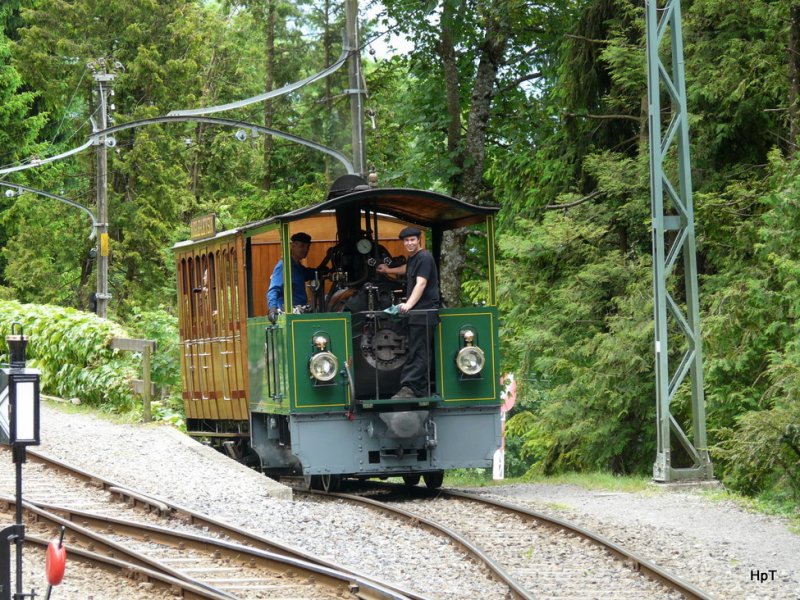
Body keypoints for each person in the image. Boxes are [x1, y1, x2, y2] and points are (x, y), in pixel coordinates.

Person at [376, 226, 440, 398]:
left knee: (420, 351)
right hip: (417, 313)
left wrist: (408, 304)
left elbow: (421, 283)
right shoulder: (414, 259)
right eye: (406, 241)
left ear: (419, 240)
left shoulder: (425, 258)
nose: (409, 243)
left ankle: (412, 388)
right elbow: (406, 269)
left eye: (412, 240)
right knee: (416, 349)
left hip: (424, 312)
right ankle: (416, 388)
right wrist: (388, 270)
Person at [267, 232, 316, 316]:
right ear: (293, 245)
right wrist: (272, 309)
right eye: (302, 246)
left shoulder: (298, 267)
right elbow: (273, 290)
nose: (305, 249)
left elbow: (309, 273)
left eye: (307, 247)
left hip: (300, 312)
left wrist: (323, 270)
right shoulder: (284, 266)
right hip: (289, 314)